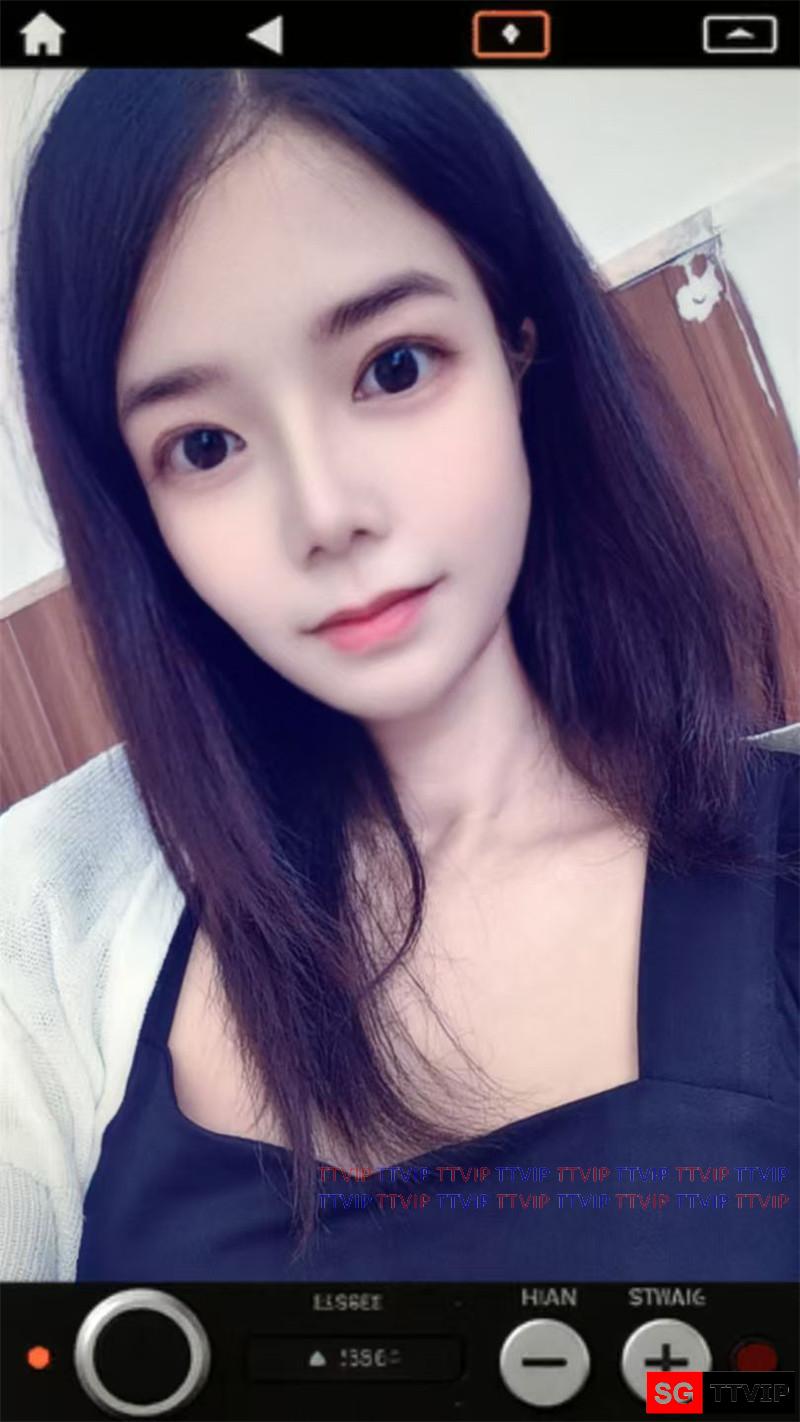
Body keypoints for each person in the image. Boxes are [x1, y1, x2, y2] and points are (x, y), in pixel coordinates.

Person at [1, 68, 797, 1284]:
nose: (324, 514)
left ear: (516, 343)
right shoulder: (60, 933)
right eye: (203, 445)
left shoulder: (772, 877)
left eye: (394, 367)